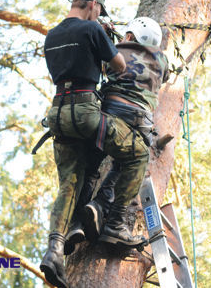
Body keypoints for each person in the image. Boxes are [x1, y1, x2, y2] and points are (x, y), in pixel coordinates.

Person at [39, 0, 126, 288]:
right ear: (91, 5)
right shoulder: (93, 30)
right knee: (134, 149)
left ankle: (54, 250)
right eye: (99, 10)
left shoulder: (51, 36)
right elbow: (119, 66)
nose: (99, 14)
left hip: (58, 114)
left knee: (70, 183)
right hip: (86, 110)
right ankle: (103, 212)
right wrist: (106, 37)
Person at [63, 17, 170, 253]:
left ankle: (78, 222)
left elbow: (103, 61)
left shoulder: (116, 49)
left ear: (130, 36)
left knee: (90, 168)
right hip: (139, 120)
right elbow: (166, 76)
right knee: (126, 165)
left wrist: (108, 37)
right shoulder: (162, 60)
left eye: (125, 36)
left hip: (106, 114)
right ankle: (111, 220)